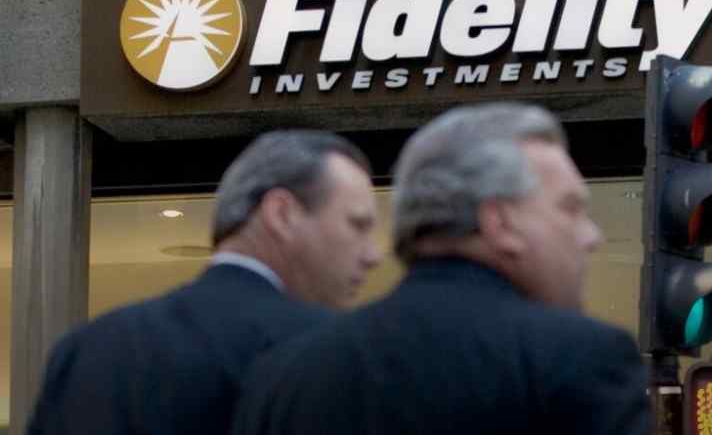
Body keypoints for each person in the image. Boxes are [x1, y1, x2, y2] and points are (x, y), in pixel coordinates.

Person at [232, 102, 650, 435]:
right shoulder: (581, 359)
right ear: (500, 223)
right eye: (570, 208)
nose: (591, 235)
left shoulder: (284, 374)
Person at [27, 130, 382, 435]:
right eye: (358, 225)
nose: (373, 255)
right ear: (281, 214)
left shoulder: (85, 350)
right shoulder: (337, 353)